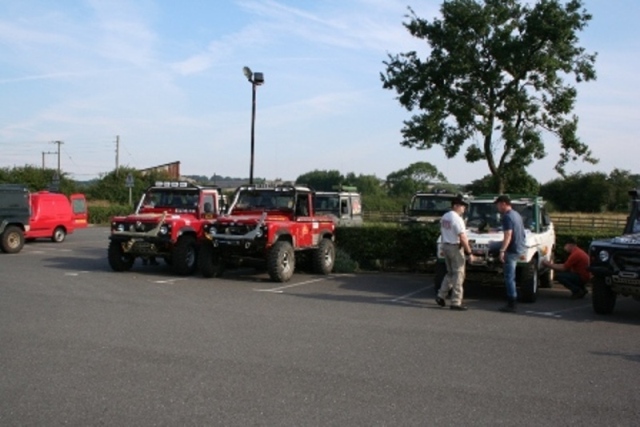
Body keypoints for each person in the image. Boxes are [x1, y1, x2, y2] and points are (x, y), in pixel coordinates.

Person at [435, 196, 473, 311]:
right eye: (462, 206)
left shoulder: (445, 216)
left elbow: (443, 231)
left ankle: (441, 295)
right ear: (456, 206)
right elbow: (462, 237)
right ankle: (456, 302)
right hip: (455, 247)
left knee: (450, 273)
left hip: (446, 245)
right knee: (459, 274)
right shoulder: (457, 219)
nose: (464, 208)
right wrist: (469, 252)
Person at [495, 195, 527, 313]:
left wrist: (502, 250)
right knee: (511, 276)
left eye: (498, 205)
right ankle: (513, 298)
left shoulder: (507, 217)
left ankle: (511, 302)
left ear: (503, 203)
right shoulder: (516, 214)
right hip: (519, 246)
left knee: (509, 277)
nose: (497, 207)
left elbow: (508, 235)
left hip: (512, 249)